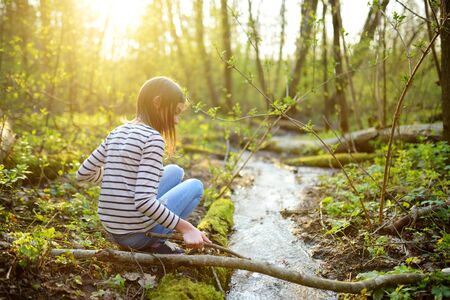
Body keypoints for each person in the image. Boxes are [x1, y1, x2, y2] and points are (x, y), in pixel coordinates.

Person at [76, 76, 211, 254]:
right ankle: (154, 243)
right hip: (137, 236)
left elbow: (83, 173)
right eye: (175, 112)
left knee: (175, 171)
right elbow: (144, 202)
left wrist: (118, 174)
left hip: (114, 230)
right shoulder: (152, 139)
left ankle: (148, 236)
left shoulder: (118, 131)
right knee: (196, 186)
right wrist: (187, 228)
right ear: (158, 103)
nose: (176, 120)